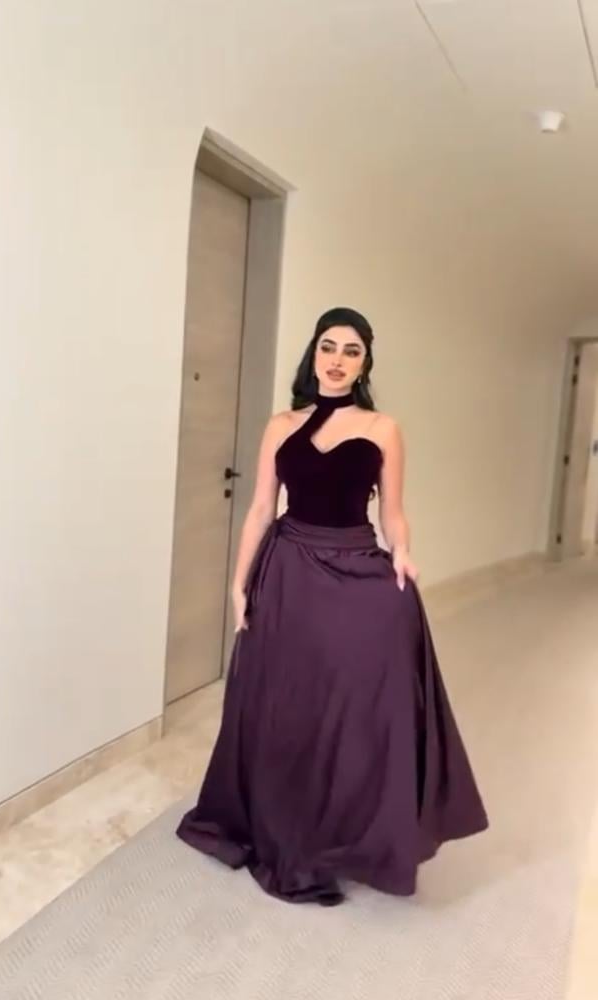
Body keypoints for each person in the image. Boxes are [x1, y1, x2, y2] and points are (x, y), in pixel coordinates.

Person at [176, 306, 488, 906]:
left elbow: (392, 511)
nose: (338, 360)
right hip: (288, 571)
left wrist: (402, 553)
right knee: (287, 704)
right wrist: (239, 583)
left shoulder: (383, 429)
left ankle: (350, 827)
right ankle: (285, 823)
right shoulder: (281, 425)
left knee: (356, 703)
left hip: (354, 566)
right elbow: (261, 508)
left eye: (351, 351)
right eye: (328, 346)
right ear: (313, 353)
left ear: (365, 363)